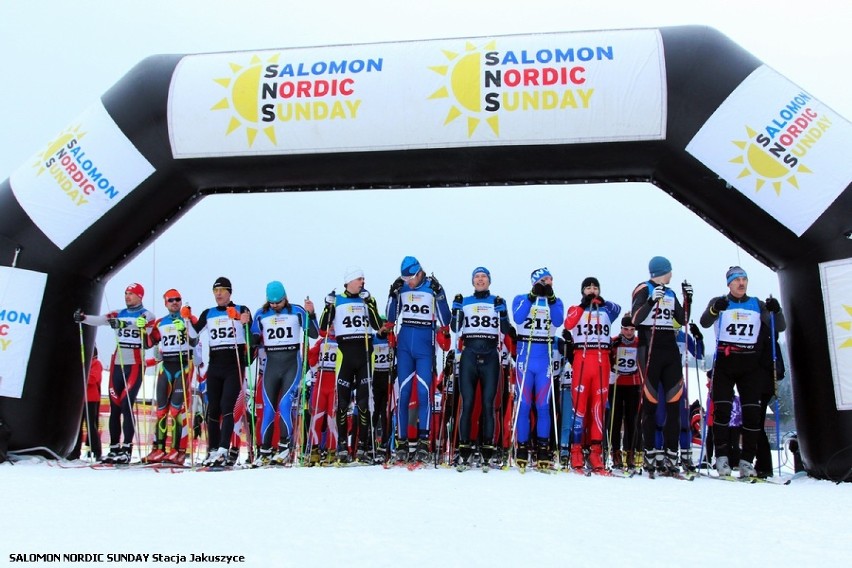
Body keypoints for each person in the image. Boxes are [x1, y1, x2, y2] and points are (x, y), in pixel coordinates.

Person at [699, 265, 786, 478]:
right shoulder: (720, 302)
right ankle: (721, 459)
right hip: (725, 363)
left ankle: (747, 460)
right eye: (737, 280)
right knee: (722, 411)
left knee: (752, 414)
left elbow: (780, 327)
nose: (741, 283)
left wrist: (776, 310)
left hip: (750, 365)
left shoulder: (757, 304)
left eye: (744, 279)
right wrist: (714, 310)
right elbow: (704, 321)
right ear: (729, 283)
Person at [74, 283, 155, 464]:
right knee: (115, 406)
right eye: (126, 293)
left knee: (127, 404)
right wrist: (83, 318)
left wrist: (128, 324)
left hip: (134, 363)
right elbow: (101, 319)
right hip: (117, 363)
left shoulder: (146, 314)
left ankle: (127, 448)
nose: (127, 296)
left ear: (140, 296)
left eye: (131, 294)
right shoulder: (118, 312)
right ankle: (114, 448)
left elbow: (148, 332)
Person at [385, 256, 452, 463]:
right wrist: (392, 295)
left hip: (424, 347)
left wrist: (440, 295)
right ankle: (403, 442)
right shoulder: (402, 289)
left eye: (410, 278)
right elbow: (390, 318)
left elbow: (445, 320)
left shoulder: (431, 288)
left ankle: (423, 442)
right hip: (404, 346)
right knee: (403, 394)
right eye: (404, 279)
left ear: (419, 273)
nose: (408, 283)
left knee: (424, 393)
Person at [630, 256, 690, 476]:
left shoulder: (671, 292)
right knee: (651, 404)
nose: (672, 274)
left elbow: (682, 319)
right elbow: (635, 319)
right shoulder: (643, 288)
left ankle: (671, 455)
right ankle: (649, 454)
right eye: (669, 271)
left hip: (669, 347)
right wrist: (650, 302)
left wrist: (687, 300)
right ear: (662, 271)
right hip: (649, 346)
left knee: (674, 403)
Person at [450, 267, 513, 470]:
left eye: (483, 276)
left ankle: (488, 448)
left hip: (490, 354)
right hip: (469, 352)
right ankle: (465, 448)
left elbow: (505, 330)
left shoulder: (497, 300)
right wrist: (456, 310)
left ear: (489, 280)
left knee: (488, 404)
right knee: (467, 403)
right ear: (472, 281)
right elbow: (455, 327)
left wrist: (502, 314)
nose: (480, 279)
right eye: (477, 277)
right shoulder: (466, 300)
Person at [250, 281, 317, 466]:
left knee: (285, 403)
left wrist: (311, 314)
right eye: (272, 303)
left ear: (285, 297)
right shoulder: (261, 314)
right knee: (268, 408)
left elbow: (313, 333)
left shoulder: (296, 311)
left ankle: (284, 448)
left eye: (278, 302)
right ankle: (264, 451)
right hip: (272, 364)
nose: (275, 306)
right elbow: (254, 338)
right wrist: (247, 326)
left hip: (291, 363)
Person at [320, 267, 383, 463]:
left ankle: (362, 445)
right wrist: (327, 306)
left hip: (364, 353)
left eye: (364, 279)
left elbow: (376, 324)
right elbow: (323, 326)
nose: (362, 282)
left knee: (364, 403)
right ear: (348, 281)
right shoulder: (338, 299)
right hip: (344, 354)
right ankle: (341, 444)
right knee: (343, 403)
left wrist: (370, 303)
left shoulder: (366, 299)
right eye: (359, 279)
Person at [189, 277, 252, 467]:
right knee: (213, 408)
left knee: (227, 406)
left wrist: (241, 321)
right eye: (215, 291)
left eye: (222, 290)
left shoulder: (241, 309)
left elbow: (251, 336)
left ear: (229, 292)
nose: (218, 294)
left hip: (234, 364)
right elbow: (193, 335)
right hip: (215, 364)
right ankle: (213, 449)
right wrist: (186, 320)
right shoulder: (208, 313)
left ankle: (225, 449)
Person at [564, 277, 621, 472]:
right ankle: (576, 451)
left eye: (595, 287)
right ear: (582, 291)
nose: (592, 290)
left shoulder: (605, 309)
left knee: (598, 406)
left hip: (602, 358)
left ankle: (596, 452)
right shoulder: (576, 308)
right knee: (579, 407)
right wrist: (583, 305)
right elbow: (568, 323)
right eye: (588, 287)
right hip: (582, 357)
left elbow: (618, 309)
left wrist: (602, 301)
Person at [511, 267, 564, 469]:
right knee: (524, 405)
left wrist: (550, 300)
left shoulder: (556, 301)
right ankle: (522, 447)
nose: (548, 282)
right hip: (526, 357)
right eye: (543, 280)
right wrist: (532, 296)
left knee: (543, 406)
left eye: (550, 279)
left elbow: (558, 320)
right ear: (534, 282)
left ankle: (543, 448)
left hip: (544, 359)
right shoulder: (521, 298)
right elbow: (518, 318)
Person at [144, 289, 199, 465]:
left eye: (178, 299)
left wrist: (186, 325)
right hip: (166, 366)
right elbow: (149, 343)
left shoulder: (190, 318)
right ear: (165, 303)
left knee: (176, 409)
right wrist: (143, 329)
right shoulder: (161, 322)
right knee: (161, 410)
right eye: (171, 300)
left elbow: (194, 341)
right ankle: (159, 448)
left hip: (183, 365)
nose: (175, 303)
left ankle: (178, 450)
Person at [608, 316, 642, 471]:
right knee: (615, 420)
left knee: (631, 420)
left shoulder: (638, 342)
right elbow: (607, 359)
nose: (629, 332)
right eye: (626, 329)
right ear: (621, 329)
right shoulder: (614, 341)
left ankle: (630, 452)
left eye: (632, 329)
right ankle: (615, 452)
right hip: (616, 384)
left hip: (633, 384)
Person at [307, 328, 339, 465]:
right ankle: (314, 451)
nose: (332, 328)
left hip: (334, 384)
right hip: (320, 382)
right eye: (330, 325)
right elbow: (311, 360)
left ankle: (332, 451)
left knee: (332, 419)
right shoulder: (321, 341)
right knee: (316, 418)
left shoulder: (342, 342)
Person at [70, 347, 104, 461]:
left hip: (91, 399)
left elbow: (93, 379)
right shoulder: (84, 364)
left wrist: (82, 375)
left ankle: (97, 451)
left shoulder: (96, 364)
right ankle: (75, 451)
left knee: (91, 426)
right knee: (77, 427)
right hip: (80, 399)